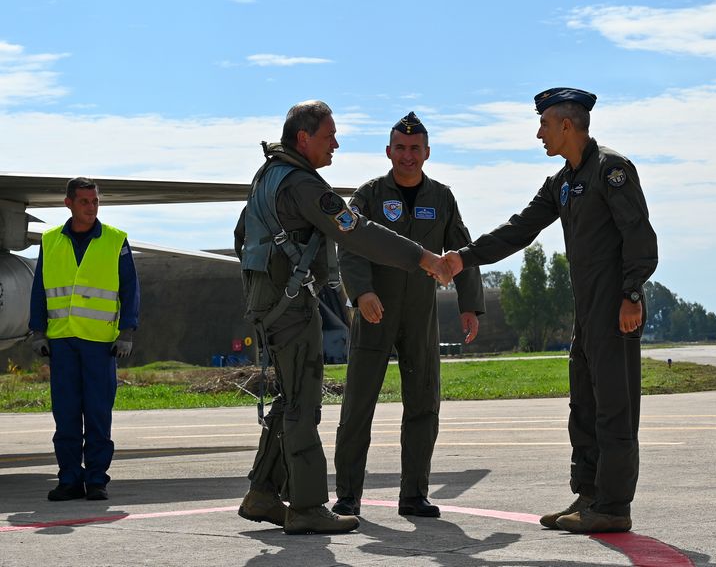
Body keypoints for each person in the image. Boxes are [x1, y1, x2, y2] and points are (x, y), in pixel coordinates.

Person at [443, 87, 658, 534]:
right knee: (584, 405)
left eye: (543, 124)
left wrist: (631, 295)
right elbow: (519, 229)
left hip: (615, 309)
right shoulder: (562, 182)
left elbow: (641, 239)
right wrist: (464, 256)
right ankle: (590, 494)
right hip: (587, 312)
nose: (539, 133)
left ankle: (614, 506)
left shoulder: (610, 170)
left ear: (565, 124)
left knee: (614, 409)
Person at [233, 100, 452, 535]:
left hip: (270, 300)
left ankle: (262, 492)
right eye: (329, 136)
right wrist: (422, 257)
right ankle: (309, 506)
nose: (336, 143)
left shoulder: (268, 176)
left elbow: (242, 234)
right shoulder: (301, 184)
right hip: (290, 305)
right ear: (303, 139)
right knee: (302, 405)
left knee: (288, 397)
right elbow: (359, 232)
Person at [332, 112, 485, 519]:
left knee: (423, 404)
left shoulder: (442, 198)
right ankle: (347, 495)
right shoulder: (368, 195)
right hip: (374, 311)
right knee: (358, 405)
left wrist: (470, 305)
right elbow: (349, 244)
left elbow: (462, 251)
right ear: (388, 151)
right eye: (400, 147)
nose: (407, 155)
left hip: (421, 314)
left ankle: (414, 494)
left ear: (427, 153)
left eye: (415, 149)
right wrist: (361, 292)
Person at [29, 177, 140, 502]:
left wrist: (127, 331)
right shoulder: (50, 241)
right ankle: (69, 480)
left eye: (94, 202)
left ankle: (96, 481)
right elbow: (40, 290)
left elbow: (130, 288)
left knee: (97, 415)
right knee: (65, 416)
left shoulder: (115, 240)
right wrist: (38, 331)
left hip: (101, 344)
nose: (91, 208)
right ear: (68, 204)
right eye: (84, 202)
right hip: (62, 342)